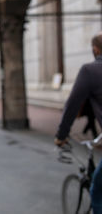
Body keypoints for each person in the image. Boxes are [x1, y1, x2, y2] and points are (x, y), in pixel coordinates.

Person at [55, 33, 102, 213]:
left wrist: (61, 135)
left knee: (97, 191)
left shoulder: (90, 71)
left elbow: (72, 106)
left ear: (95, 50)